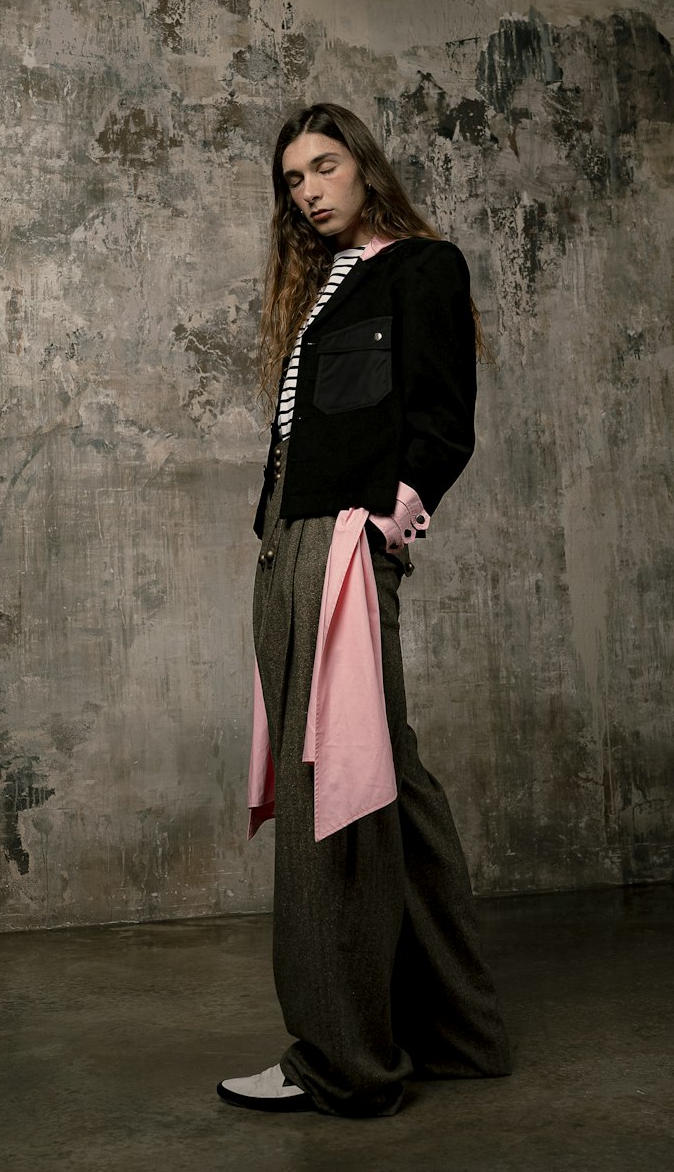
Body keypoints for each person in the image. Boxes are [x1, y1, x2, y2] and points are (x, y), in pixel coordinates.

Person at [216, 103, 512, 1119]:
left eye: (324, 166)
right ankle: (457, 1031)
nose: (308, 191)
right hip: (286, 542)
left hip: (339, 544)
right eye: (292, 178)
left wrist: (387, 521)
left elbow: (443, 414)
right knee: (389, 782)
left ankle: (342, 1058)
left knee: (330, 792)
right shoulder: (323, 288)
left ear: (363, 167)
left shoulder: (422, 267)